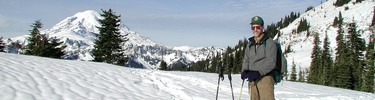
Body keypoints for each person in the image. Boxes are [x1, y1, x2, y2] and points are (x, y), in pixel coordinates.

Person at [241, 16, 277, 100]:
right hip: (252, 80)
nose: (255, 29)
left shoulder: (270, 43)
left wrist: (258, 73)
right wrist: (244, 70)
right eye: (253, 27)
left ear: (262, 27)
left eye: (258, 27)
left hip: (265, 79)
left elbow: (271, 62)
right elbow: (246, 59)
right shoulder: (250, 44)